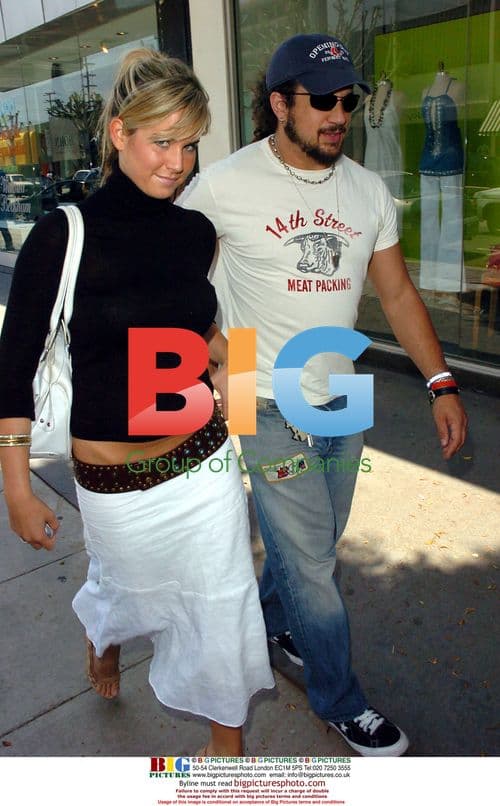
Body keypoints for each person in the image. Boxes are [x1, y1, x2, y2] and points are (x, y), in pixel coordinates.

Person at [179, 33, 468, 756]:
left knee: (314, 540)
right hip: (257, 390)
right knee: (312, 562)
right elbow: (172, 275)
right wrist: (215, 358)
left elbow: (396, 293)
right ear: (280, 104)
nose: (339, 114)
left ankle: (272, 623)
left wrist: (440, 382)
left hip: (338, 390)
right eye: (322, 101)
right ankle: (343, 701)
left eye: (348, 100)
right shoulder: (224, 184)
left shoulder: (367, 191)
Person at [0, 48, 274, 757]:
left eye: (189, 144)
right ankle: (104, 635)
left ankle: (226, 757)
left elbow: (211, 332)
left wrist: (246, 422)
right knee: (126, 588)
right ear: (119, 132)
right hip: (114, 485)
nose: (179, 162)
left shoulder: (194, 234)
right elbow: (13, 365)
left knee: (223, 608)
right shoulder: (64, 234)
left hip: (203, 467)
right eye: (162, 141)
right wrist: (17, 490)